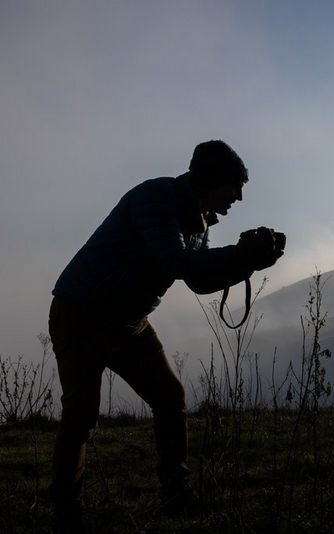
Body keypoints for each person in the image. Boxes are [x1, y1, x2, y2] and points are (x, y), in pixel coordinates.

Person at [48, 140, 284, 531]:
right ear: (210, 180)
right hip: (82, 313)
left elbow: (196, 280)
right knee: (81, 415)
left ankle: (176, 495)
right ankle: (65, 509)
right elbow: (175, 260)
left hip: (126, 320)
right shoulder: (156, 198)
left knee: (169, 397)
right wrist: (240, 254)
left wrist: (249, 263)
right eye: (234, 188)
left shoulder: (198, 217)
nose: (238, 198)